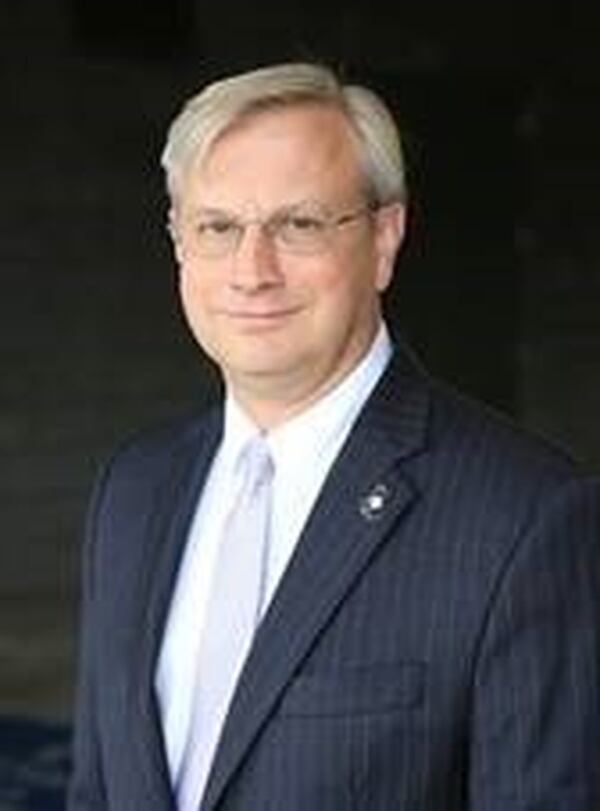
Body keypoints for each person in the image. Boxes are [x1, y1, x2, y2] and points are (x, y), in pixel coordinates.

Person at [68, 62, 600, 811]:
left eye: (300, 224)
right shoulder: (132, 490)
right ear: (179, 242)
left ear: (384, 238)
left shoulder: (527, 517)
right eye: (218, 227)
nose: (252, 271)